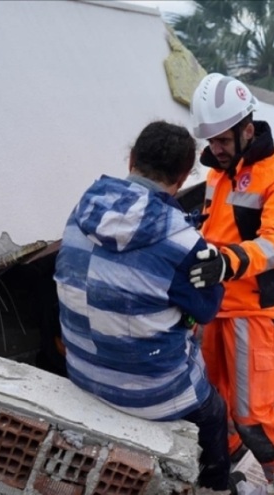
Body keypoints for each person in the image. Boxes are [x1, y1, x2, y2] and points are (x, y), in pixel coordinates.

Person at [53, 121, 236, 494]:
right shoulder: (186, 242)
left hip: (80, 371)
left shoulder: (81, 209)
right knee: (215, 415)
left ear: (132, 158)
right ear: (184, 177)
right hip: (151, 394)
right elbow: (206, 310)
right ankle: (216, 488)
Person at [187, 73, 274, 481]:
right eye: (211, 141)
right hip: (214, 308)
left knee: (253, 416)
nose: (215, 149)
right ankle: (225, 475)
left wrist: (226, 262)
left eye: (222, 140)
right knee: (215, 405)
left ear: (248, 129)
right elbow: (210, 231)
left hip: (254, 313)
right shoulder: (217, 175)